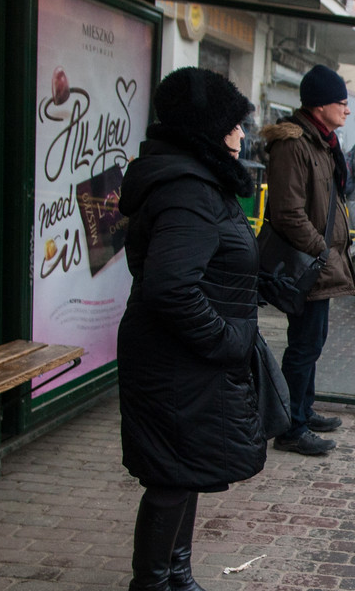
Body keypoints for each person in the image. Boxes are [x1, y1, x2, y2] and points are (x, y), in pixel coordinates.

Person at [117, 67, 265, 591]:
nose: (242, 135)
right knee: (169, 476)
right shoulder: (190, 190)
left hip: (180, 357)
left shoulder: (196, 182)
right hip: (177, 359)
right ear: (207, 128)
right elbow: (171, 287)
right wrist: (226, 340)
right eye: (233, 124)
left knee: (184, 471)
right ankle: (154, 583)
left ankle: (176, 576)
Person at [260, 64, 355, 456]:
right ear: (320, 106)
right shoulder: (295, 144)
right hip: (308, 263)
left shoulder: (322, 142)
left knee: (311, 343)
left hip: (319, 262)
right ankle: (291, 426)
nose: (347, 110)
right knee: (303, 346)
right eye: (341, 103)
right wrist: (321, 249)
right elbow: (287, 212)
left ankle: (303, 409)